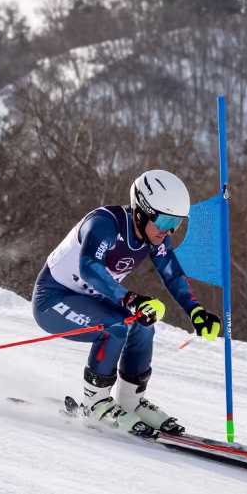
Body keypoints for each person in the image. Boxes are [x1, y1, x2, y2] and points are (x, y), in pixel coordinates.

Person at [31, 169, 222, 438]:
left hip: (91, 300)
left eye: (176, 223)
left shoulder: (154, 238)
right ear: (142, 211)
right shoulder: (104, 224)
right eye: (165, 220)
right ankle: (94, 403)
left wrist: (196, 311)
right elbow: (88, 267)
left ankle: (131, 400)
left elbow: (173, 274)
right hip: (53, 299)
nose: (168, 230)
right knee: (115, 327)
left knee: (143, 324)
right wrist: (129, 299)